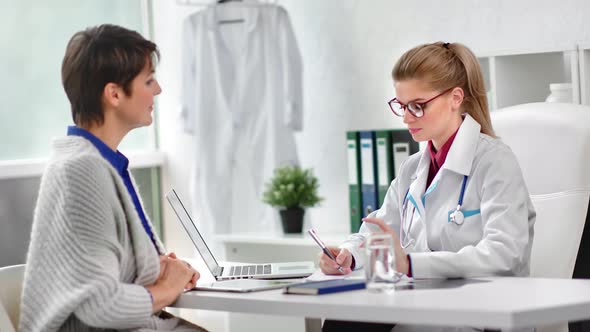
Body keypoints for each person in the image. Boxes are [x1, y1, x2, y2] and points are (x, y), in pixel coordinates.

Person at [320, 42, 536, 332]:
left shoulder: (494, 161)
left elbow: (504, 255)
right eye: (401, 106)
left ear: (455, 98)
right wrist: (347, 254)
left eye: (418, 106)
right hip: (427, 304)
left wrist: (410, 264)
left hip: (483, 314)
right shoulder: (412, 168)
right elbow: (377, 230)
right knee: (344, 320)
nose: (407, 117)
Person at [19, 24, 207, 332]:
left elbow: (107, 271)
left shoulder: (105, 163)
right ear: (115, 94)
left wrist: (164, 269)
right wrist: (167, 288)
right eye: (148, 80)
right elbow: (100, 304)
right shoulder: (82, 170)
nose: (157, 90)